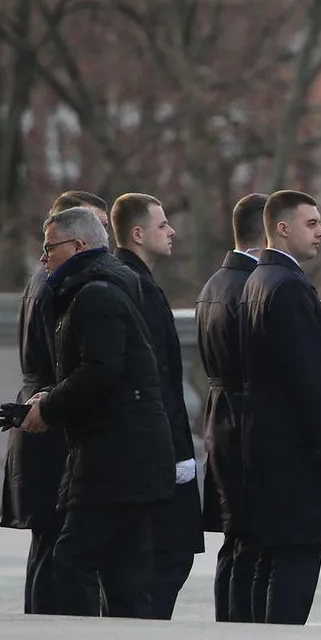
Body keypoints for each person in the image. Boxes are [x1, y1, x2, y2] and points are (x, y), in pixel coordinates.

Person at [18, 205, 175, 617]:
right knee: (126, 573)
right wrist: (50, 396)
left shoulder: (94, 294)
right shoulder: (103, 286)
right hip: (128, 452)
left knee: (71, 561)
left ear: (78, 245)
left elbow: (102, 371)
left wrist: (50, 406)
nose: (44, 257)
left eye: (50, 247)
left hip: (113, 455)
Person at [237, 190, 321, 622]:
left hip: (267, 445)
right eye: (311, 223)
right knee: (295, 561)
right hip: (295, 452)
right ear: (282, 227)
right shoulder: (288, 286)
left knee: (269, 562)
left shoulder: (258, 280)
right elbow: (308, 377)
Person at [0, 191, 107, 611]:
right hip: (53, 419)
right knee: (59, 553)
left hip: (41, 411)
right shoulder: (62, 285)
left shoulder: (41, 282)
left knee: (48, 551)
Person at [110, 193, 204, 618]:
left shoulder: (137, 283)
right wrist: (180, 451)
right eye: (162, 224)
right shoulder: (136, 287)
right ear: (137, 233)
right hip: (155, 450)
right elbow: (155, 381)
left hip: (149, 447)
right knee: (166, 556)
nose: (171, 231)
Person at [196, 193, 266, 621]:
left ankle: (231, 622)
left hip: (221, 418)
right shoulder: (250, 287)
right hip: (246, 422)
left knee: (235, 539)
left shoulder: (216, 282)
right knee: (252, 543)